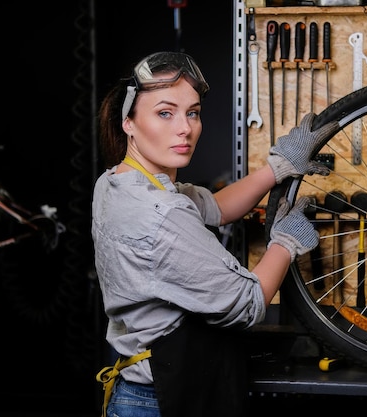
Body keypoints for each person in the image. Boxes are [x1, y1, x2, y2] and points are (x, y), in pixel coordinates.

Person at [92, 51, 337, 417]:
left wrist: (278, 167)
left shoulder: (115, 182)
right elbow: (249, 303)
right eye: (165, 112)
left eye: (192, 112)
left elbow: (215, 207)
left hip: (145, 392)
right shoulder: (160, 214)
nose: (185, 128)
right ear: (129, 121)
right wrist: (285, 244)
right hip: (159, 403)